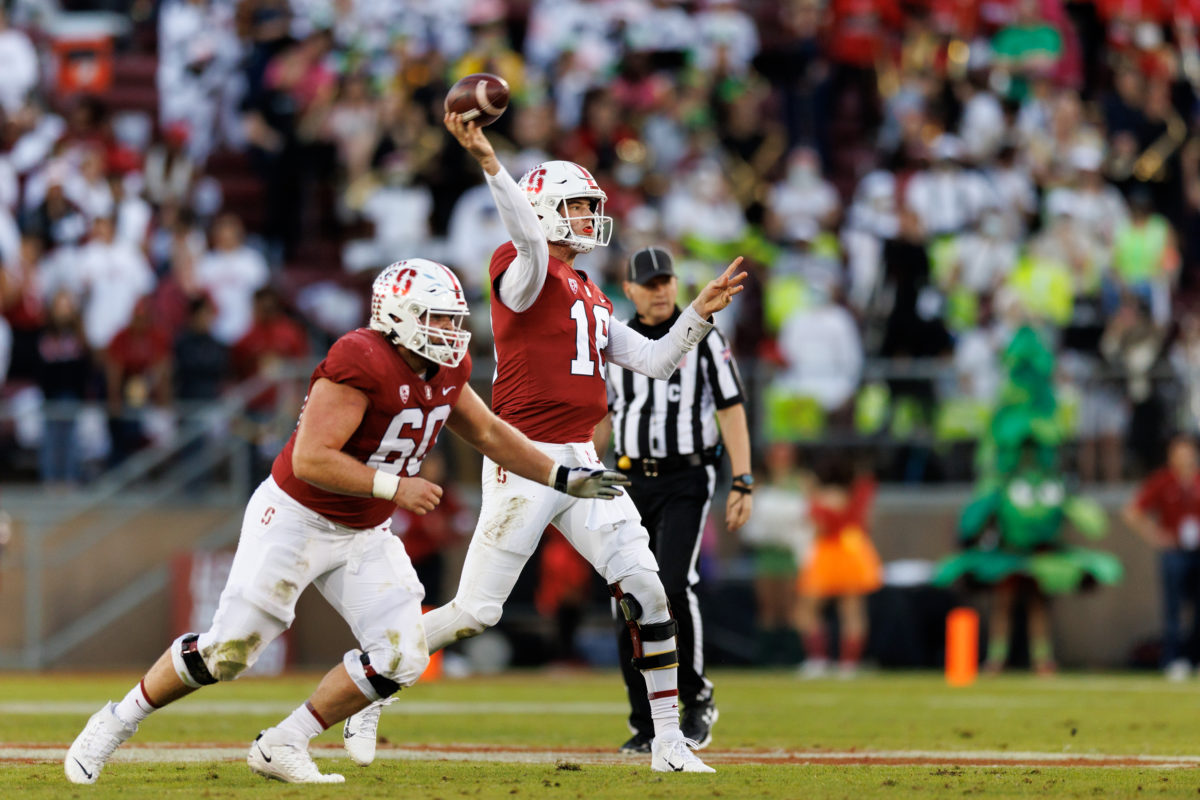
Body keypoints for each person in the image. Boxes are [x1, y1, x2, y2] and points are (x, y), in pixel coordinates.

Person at [64, 259, 629, 785]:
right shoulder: (359, 358)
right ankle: (117, 719)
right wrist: (394, 486)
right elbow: (312, 457)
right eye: (436, 318)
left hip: (363, 531)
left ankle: (285, 742)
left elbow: (487, 433)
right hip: (297, 516)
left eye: (455, 319)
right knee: (229, 651)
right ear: (397, 316)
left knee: (402, 654)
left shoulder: (450, 364)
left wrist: (560, 478)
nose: (451, 332)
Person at [344, 113, 746, 774]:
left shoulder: (587, 289)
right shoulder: (521, 268)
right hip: (523, 459)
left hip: (584, 460)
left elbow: (654, 361)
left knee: (647, 588)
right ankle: (369, 683)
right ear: (544, 212)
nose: (593, 217)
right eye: (582, 206)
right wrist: (489, 160)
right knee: (476, 610)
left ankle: (670, 743)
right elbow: (527, 241)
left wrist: (698, 314)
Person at [592, 246, 753, 754]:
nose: (660, 290)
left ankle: (696, 697)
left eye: (667, 281)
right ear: (632, 289)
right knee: (628, 598)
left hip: (688, 476)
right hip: (629, 480)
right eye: (650, 282)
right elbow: (602, 417)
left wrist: (743, 479)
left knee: (673, 584)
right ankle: (644, 722)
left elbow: (730, 408)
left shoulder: (703, 336)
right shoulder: (616, 341)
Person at [795, 456, 882, 679]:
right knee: (851, 611)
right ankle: (848, 664)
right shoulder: (860, 492)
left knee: (808, 608)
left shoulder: (826, 496)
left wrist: (811, 495)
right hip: (853, 549)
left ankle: (819, 659)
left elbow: (820, 525)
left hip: (830, 552)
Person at [1123, 434, 1200, 681]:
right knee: (1173, 608)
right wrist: (1156, 535)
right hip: (1175, 552)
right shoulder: (1163, 481)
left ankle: (1195, 657)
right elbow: (1133, 511)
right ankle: (1173, 659)